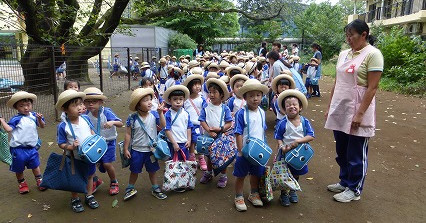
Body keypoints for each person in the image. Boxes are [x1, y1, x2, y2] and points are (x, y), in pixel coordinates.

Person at [325, 19, 384, 203]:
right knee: (341, 149)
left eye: (352, 35)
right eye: (347, 35)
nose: (348, 39)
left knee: (356, 151)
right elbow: (338, 83)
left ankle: (354, 189)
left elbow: (372, 88)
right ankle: (344, 181)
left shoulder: (373, 54)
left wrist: (359, 113)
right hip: (341, 107)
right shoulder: (344, 54)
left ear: (364, 35)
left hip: (358, 108)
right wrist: (330, 107)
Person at [56, 90, 99, 212]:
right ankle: (75, 198)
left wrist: (94, 138)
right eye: (75, 105)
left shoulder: (85, 118)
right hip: (74, 158)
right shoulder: (63, 126)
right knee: (75, 178)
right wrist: (71, 147)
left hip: (89, 155)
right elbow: (61, 144)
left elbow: (91, 131)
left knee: (90, 175)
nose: (80, 107)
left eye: (81, 104)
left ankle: (89, 195)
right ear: (65, 109)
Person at [122, 88, 167, 201]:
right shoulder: (132, 118)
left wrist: (160, 113)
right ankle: (130, 187)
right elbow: (128, 134)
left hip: (151, 150)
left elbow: (163, 126)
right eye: (145, 100)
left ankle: (155, 188)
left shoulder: (154, 115)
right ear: (138, 104)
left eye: (150, 99)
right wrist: (126, 148)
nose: (149, 102)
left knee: (152, 170)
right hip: (137, 150)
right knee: (134, 170)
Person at [274, 89, 315, 207]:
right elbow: (278, 137)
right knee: (285, 174)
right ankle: (283, 194)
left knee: (296, 172)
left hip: (299, 154)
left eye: (294, 104)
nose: (291, 107)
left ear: (300, 107)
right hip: (285, 153)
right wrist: (281, 147)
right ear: (284, 109)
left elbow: (311, 136)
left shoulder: (304, 122)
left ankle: (293, 190)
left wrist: (298, 141)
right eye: (288, 105)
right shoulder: (283, 123)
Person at [233, 79, 269, 212]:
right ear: (245, 97)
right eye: (251, 96)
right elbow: (238, 132)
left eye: (258, 95)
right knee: (241, 174)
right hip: (244, 150)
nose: (255, 99)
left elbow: (262, 129)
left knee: (256, 173)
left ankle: (253, 193)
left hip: (258, 149)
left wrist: (265, 147)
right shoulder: (241, 113)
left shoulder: (262, 112)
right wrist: (240, 150)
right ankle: (238, 196)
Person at [0, 91, 46, 194]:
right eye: (21, 106)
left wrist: (39, 119)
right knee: (19, 167)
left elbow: (42, 126)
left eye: (28, 105)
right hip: (18, 149)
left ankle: (39, 180)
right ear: (16, 108)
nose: (26, 108)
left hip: (31, 148)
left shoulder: (34, 116)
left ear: (31, 104)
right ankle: (22, 183)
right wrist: (2, 121)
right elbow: (8, 129)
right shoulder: (16, 119)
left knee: (35, 165)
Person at [83, 87, 123, 195]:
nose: (90, 104)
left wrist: (112, 122)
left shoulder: (106, 112)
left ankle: (114, 182)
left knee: (106, 164)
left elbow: (121, 123)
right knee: (92, 163)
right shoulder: (85, 114)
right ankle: (95, 180)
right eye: (87, 102)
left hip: (108, 142)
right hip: (94, 143)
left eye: (94, 102)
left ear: (100, 102)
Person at [198, 79, 234, 188]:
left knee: (222, 157)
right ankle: (209, 173)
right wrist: (208, 130)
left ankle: (223, 176)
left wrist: (221, 129)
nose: (212, 95)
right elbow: (202, 120)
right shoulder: (206, 107)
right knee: (209, 156)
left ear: (221, 94)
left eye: (215, 92)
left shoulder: (225, 108)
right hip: (209, 137)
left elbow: (229, 123)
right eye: (210, 92)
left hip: (221, 137)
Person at [163, 85, 193, 192]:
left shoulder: (186, 113)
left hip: (184, 143)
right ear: (170, 100)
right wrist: (174, 143)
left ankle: (183, 181)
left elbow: (189, 127)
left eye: (180, 99)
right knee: (174, 163)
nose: (178, 102)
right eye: (175, 99)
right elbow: (167, 129)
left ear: (184, 100)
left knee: (183, 163)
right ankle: (174, 182)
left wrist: (189, 140)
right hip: (173, 143)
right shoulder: (168, 114)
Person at [183, 75, 208, 171]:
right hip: (188, 125)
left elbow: (206, 111)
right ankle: (192, 157)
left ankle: (201, 158)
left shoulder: (202, 99)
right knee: (191, 141)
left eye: (199, 84)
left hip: (199, 124)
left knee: (199, 141)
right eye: (195, 84)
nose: (198, 86)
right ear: (190, 86)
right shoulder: (185, 99)